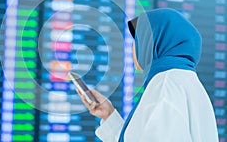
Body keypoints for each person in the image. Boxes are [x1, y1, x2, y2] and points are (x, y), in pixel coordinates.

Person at [77, 8, 219, 142]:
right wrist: (109, 115)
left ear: (151, 42)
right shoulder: (185, 81)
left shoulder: (166, 85)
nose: (134, 48)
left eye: (137, 40)